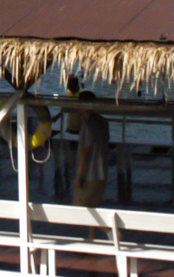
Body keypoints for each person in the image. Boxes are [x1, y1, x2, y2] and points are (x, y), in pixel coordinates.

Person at [73, 91, 109, 237]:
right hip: (102, 171)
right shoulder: (103, 122)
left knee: (79, 207)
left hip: (90, 174)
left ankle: (108, 231)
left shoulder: (88, 125)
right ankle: (91, 237)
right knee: (94, 205)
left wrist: (78, 175)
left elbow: (85, 152)